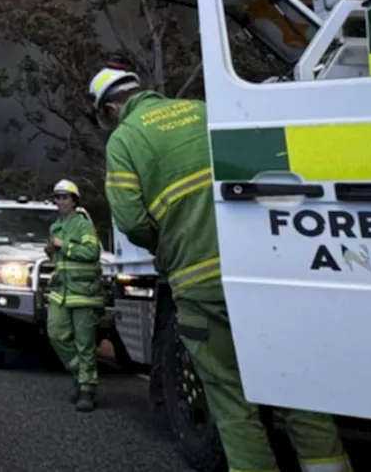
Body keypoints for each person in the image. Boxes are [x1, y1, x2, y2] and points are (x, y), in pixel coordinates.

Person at [88, 63, 353, 472]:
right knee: (299, 388)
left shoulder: (125, 139)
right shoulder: (204, 109)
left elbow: (130, 219)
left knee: (231, 399)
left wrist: (170, 243)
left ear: (109, 109)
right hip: (264, 270)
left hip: (200, 282)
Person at [44, 178, 103, 413]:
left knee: (85, 343)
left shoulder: (83, 225)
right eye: (57, 197)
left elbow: (92, 252)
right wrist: (50, 251)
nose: (60, 201)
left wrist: (63, 245)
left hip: (84, 293)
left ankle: (86, 390)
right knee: (55, 332)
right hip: (62, 292)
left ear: (74, 200)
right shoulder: (55, 227)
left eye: (64, 197)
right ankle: (81, 374)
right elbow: (59, 260)